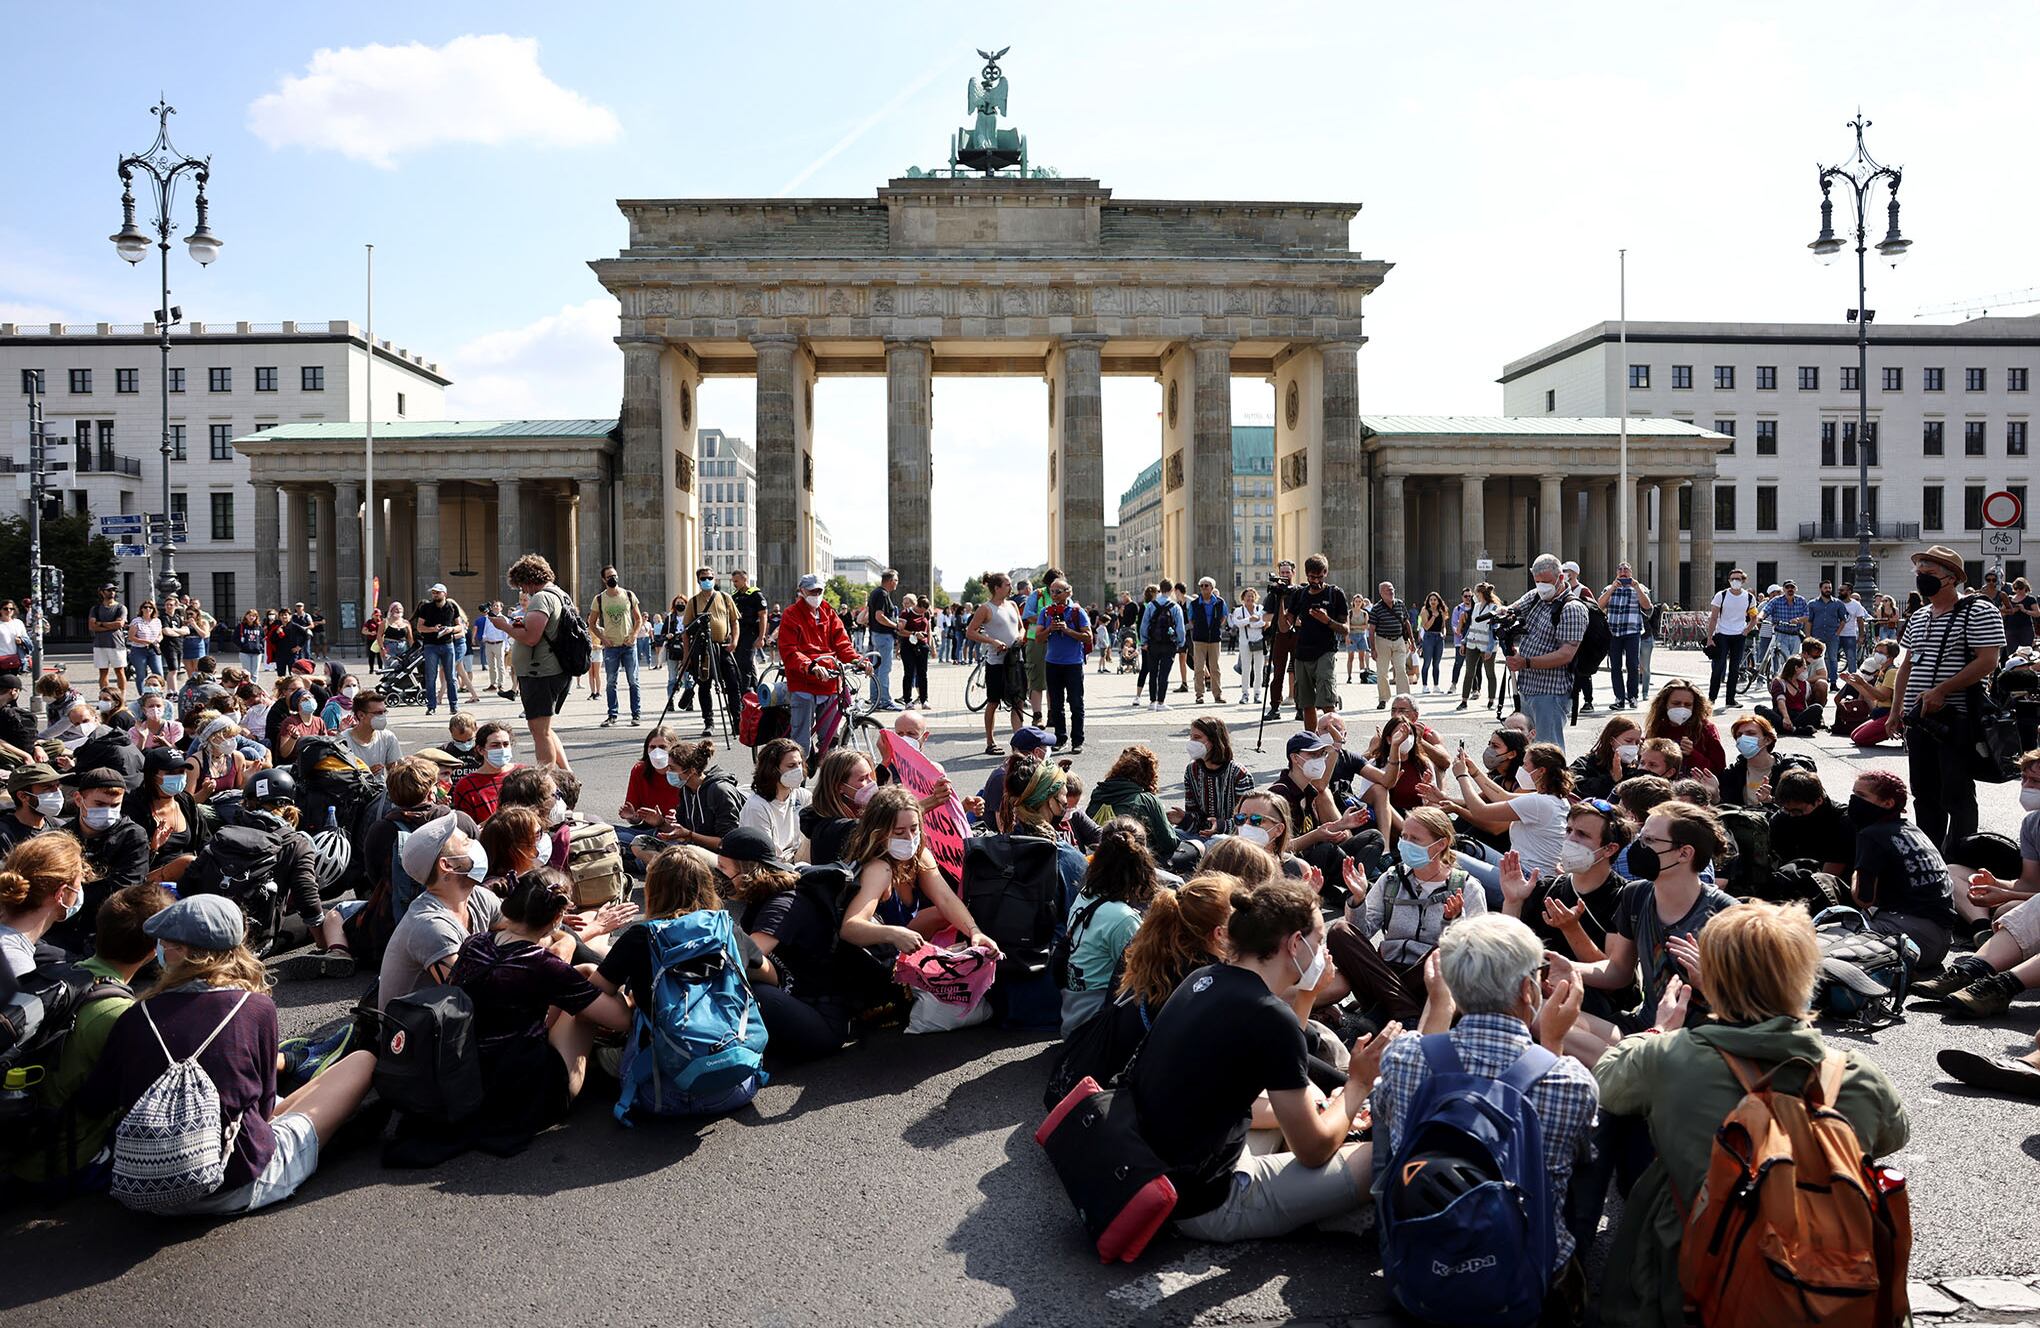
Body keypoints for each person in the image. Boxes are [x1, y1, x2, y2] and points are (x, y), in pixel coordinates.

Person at [1592, 900, 1909, 1328]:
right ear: (1807, 976)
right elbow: (1894, 1134)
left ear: (1713, 982)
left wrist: (1660, 1028)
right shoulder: (1855, 1074)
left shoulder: (1670, 1057)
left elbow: (1608, 1083)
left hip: (1689, 1279)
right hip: (1829, 1281)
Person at [75, 894, 378, 1216]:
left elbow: (98, 1100)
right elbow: (262, 1108)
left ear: (180, 952)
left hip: (148, 1187)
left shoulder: (136, 1017)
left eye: (164, 943)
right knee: (362, 1061)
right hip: (238, 1181)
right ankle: (321, 1112)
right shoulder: (255, 1008)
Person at [1128, 878, 1388, 1242]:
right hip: (1209, 1202)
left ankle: (1315, 1201)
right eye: (1319, 941)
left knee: (1313, 1103)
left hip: (1154, 1170)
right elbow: (1312, 1150)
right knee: (1383, 1157)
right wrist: (1358, 1083)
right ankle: (1326, 1212)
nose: (1322, 951)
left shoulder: (1203, 978)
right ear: (1294, 944)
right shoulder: (1268, 1014)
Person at [1371, 914, 1598, 1317]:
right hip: (1528, 1279)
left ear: (1453, 986)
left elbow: (1390, 1121)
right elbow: (1571, 1156)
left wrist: (1438, 1004)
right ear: (1529, 989)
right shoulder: (1569, 1078)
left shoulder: (1404, 1057)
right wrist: (1553, 1043)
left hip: (1420, 1274)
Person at [1546, 801, 1737, 1064]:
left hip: (1697, 1045)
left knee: (1608, 1054)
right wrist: (1571, 969)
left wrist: (1709, 982)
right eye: (1640, 837)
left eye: (1649, 840)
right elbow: (1619, 972)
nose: (1637, 847)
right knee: (1541, 1016)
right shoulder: (1636, 895)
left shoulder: (1727, 915)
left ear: (1684, 853)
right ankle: (1625, 1065)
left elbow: (1754, 1011)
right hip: (1641, 1027)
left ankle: (1626, 1068)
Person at [449, 869, 633, 1141]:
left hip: (474, 1072)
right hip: (525, 1092)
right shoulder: (543, 966)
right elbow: (621, 1019)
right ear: (558, 917)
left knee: (583, 972)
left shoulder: (475, 943)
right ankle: (613, 1056)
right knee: (589, 992)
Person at [1888, 543, 2005, 854]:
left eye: (1929, 572)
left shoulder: (1979, 610)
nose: (1921, 578)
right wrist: (1895, 709)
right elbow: (1907, 664)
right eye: (1919, 572)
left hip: (1955, 717)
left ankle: (1961, 857)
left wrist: (1942, 690)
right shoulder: (1920, 615)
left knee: (1956, 792)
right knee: (1923, 793)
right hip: (1918, 719)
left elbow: (1987, 661)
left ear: (1951, 577)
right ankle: (1931, 853)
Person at [1323, 806, 1485, 1023]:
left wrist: (1452, 922)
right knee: (1339, 931)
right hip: (1383, 973)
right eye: (1404, 836)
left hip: (1429, 980)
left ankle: (1386, 1012)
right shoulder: (1392, 879)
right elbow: (1361, 933)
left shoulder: (1467, 887)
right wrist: (1358, 899)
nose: (1406, 844)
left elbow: (1474, 956)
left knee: (1446, 951)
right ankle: (1407, 1015)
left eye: (1415, 839)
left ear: (1441, 844)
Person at [715, 829, 858, 1062]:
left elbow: (741, 957)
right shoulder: (764, 896)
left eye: (723, 868)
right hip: (798, 1000)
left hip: (822, 1020)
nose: (718, 876)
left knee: (747, 990)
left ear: (748, 870)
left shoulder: (783, 905)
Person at [1503, 800, 1639, 1021]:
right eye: (1568, 831)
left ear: (1609, 849)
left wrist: (1572, 929)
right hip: (1536, 986)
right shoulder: (1547, 888)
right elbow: (1508, 948)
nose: (1570, 840)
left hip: (1588, 1001)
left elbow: (1614, 977)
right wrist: (1513, 901)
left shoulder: (1623, 898)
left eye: (1582, 835)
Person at [838, 786, 997, 953]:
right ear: (878, 833)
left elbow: (946, 899)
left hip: (905, 944)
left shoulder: (919, 856)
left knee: (953, 915)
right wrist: (893, 934)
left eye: (914, 829)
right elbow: (850, 928)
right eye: (899, 832)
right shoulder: (879, 869)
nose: (909, 838)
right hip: (882, 957)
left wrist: (974, 931)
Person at [378, 814, 504, 1009]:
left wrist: (566, 940)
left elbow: (525, 929)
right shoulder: (430, 926)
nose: (475, 843)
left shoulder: (477, 896)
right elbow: (477, 993)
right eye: (466, 842)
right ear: (447, 865)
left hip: (452, 1022)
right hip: (421, 1035)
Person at [1847, 769, 1957, 972]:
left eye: (1861, 796)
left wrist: (1856, 871)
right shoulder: (1912, 829)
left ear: (1888, 803)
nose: (1853, 801)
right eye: (1853, 794)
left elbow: (1864, 898)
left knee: (1828, 932)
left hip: (1910, 938)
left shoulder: (1872, 834)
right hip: (1941, 940)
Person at [1059, 817, 1159, 1034]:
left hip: (1074, 1014)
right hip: (1097, 1027)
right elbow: (1143, 977)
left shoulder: (1085, 895)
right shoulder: (1123, 918)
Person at [1430, 741, 1573, 881]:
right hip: (1518, 868)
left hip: (1527, 879)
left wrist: (1462, 776)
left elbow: (1480, 811)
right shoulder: (1554, 799)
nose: (1521, 768)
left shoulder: (1538, 803)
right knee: (1465, 845)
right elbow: (1503, 796)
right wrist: (1474, 772)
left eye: (1525, 764)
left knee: (1452, 856)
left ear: (1541, 771)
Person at [489, 555, 575, 771]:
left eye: (522, 586)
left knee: (540, 731)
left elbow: (531, 637)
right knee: (545, 728)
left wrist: (505, 626)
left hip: (541, 673)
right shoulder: (560, 594)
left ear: (528, 580)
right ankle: (567, 775)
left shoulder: (542, 597)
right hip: (553, 670)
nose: (524, 592)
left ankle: (546, 783)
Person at [1503, 555, 1588, 753]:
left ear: (1560, 578)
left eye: (1546, 582)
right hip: (1527, 686)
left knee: (1548, 751)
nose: (1541, 586)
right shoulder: (1536, 597)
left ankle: (1554, 783)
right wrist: (1500, 613)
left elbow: (1566, 654)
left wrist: (1526, 662)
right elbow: (1513, 609)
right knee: (1528, 748)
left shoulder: (1572, 609)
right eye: (1537, 581)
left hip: (1550, 691)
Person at [777, 572, 867, 755]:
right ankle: (797, 778)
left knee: (829, 740)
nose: (816, 595)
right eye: (812, 591)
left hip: (830, 681)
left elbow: (842, 643)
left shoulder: (829, 612)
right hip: (804, 680)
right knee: (801, 743)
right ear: (802, 591)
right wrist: (810, 666)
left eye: (820, 590)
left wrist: (857, 660)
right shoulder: (791, 614)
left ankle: (828, 774)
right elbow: (789, 650)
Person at [966, 571, 1026, 752]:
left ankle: (1018, 743)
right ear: (997, 588)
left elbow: (1021, 627)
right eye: (1007, 584)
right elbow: (971, 631)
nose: (1010, 587)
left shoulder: (1013, 605)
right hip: (996, 662)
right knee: (993, 701)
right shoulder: (986, 608)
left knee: (1018, 700)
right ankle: (990, 742)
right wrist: (993, 641)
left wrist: (1020, 638)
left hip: (1015, 660)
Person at [679, 566, 739, 736]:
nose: (707, 581)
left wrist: (734, 641)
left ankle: (737, 720)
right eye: (703, 578)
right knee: (704, 686)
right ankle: (709, 722)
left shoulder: (725, 598)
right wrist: (687, 656)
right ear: (698, 581)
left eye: (710, 577)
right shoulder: (694, 601)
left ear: (715, 579)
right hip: (702, 649)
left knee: (733, 684)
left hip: (723, 647)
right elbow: (686, 630)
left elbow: (735, 622)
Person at [1173, 715, 1255, 840]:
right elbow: (1196, 816)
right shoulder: (1192, 770)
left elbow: (1248, 820)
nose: (1191, 742)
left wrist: (1220, 826)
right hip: (1201, 836)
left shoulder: (1240, 774)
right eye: (1191, 737)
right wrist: (1184, 819)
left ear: (1213, 740)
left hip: (1232, 839)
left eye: (1197, 738)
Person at [588, 564, 645, 729]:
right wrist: (602, 638)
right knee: (611, 682)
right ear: (603, 580)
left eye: (615, 575)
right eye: (609, 576)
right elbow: (592, 623)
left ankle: (636, 715)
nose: (613, 578)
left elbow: (638, 619)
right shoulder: (599, 599)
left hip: (628, 646)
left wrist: (634, 635)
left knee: (633, 681)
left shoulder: (628, 595)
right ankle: (612, 715)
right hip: (611, 647)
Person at [1040, 579, 1092, 754]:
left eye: (1058, 592)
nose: (1054, 595)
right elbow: (1038, 637)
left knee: (1076, 703)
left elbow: (1088, 636)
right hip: (1052, 663)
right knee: (1056, 704)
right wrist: (1050, 630)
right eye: (1051, 592)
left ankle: (1077, 740)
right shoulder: (1046, 612)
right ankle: (1060, 738)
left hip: (1073, 664)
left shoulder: (1078, 612)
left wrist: (1067, 630)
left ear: (1068, 592)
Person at [738, 737, 809, 865]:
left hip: (796, 859)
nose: (798, 770)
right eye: (791, 766)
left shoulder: (802, 796)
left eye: (799, 764)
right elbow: (765, 856)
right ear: (772, 769)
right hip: (772, 867)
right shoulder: (757, 807)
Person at [802, 747, 876, 865]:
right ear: (839, 787)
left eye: (870, 776)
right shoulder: (835, 829)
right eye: (863, 779)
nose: (871, 783)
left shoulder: (853, 811)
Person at [1596, 562, 1652, 710]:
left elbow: (1647, 607)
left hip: (1632, 632)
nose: (1623, 572)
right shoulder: (1609, 588)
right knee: (1615, 667)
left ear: (1631, 572)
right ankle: (1619, 698)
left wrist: (1637, 587)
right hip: (1614, 632)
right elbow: (1599, 606)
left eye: (1626, 569)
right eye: (1620, 569)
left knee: (1632, 666)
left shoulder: (1639, 588)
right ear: (1616, 572)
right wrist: (1613, 588)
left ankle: (1633, 697)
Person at [1642, 678, 1725, 776]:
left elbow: (1719, 769)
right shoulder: (1657, 728)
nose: (1682, 708)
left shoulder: (1706, 729)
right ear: (1664, 704)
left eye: (1688, 705)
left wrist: (1693, 754)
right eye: (1676, 703)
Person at [1703, 567, 1757, 707]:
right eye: (1732, 579)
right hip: (1722, 635)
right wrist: (1710, 637)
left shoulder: (1749, 597)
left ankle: (1730, 699)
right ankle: (1711, 698)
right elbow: (1713, 618)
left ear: (1743, 580)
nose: (1735, 581)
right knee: (1719, 667)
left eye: (1738, 579)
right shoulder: (1721, 595)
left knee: (1734, 668)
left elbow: (1754, 617)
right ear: (1728, 580)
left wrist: (1747, 630)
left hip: (1739, 636)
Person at [412, 583, 467, 717]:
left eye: (437, 592)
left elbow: (460, 626)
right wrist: (433, 629)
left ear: (444, 594)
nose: (435, 595)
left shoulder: (452, 607)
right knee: (431, 677)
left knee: (451, 677)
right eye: (433, 593)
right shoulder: (426, 608)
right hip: (431, 645)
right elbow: (419, 627)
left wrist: (450, 629)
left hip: (448, 644)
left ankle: (454, 706)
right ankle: (431, 706)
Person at [450, 721, 518, 824]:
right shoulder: (466, 786)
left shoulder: (522, 774)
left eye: (506, 744)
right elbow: (467, 829)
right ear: (480, 750)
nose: (502, 749)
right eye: (495, 745)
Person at [1133, 579, 1183, 714]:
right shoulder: (1175, 607)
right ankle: (1161, 702)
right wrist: (1180, 642)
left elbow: (1144, 625)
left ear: (1160, 589)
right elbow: (1180, 628)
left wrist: (1144, 642)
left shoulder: (1150, 605)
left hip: (1153, 644)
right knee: (1164, 674)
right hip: (1169, 644)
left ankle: (1152, 701)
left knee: (1153, 672)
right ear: (1172, 590)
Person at [1571, 715, 1641, 802]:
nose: (1633, 746)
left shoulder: (1636, 768)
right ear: (1611, 740)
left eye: (1637, 743)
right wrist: (1611, 779)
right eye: (1628, 741)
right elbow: (1575, 788)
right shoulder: (1586, 763)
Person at [1186, 578, 1229, 704]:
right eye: (1202, 586)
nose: (1204, 588)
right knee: (1199, 667)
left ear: (1212, 588)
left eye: (1206, 586)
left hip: (1215, 638)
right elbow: (1191, 619)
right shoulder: (1195, 603)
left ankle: (1218, 695)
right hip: (1199, 639)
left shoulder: (1220, 602)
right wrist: (1201, 628)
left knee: (1215, 668)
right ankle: (1199, 694)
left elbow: (1223, 617)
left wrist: (1215, 627)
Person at [865, 568, 902, 712]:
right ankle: (885, 701)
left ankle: (875, 699)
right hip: (883, 636)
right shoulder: (882, 594)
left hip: (876, 635)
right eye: (896, 580)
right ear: (891, 580)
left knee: (876, 668)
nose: (897, 584)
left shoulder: (876, 593)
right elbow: (879, 616)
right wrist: (895, 625)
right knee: (884, 669)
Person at [730, 568, 769, 691]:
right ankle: (754, 693)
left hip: (751, 634)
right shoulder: (734, 596)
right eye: (733, 581)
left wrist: (761, 637)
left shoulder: (756, 595)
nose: (734, 584)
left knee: (744, 665)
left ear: (744, 579)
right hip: (738, 635)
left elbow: (763, 616)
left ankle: (743, 696)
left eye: (736, 581)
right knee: (740, 664)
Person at [88, 584, 128, 697]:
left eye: (114, 590)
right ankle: (105, 696)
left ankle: (122, 697)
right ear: (102, 592)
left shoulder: (120, 607)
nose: (112, 592)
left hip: (116, 644)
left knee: (120, 671)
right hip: (100, 644)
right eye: (109, 590)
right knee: (103, 672)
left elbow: (119, 624)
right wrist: (111, 625)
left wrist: (101, 623)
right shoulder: (96, 608)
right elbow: (92, 626)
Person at [1229, 586, 1267, 706]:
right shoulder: (1238, 610)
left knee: (1259, 669)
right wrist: (1250, 619)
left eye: (1252, 596)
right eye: (1247, 596)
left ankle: (1257, 693)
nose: (1250, 598)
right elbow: (1237, 623)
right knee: (1245, 669)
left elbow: (1263, 622)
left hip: (1259, 641)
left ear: (1255, 597)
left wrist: (1250, 624)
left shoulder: (1260, 608)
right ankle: (1245, 693)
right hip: (1245, 643)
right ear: (1243, 598)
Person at [896, 593, 931, 708]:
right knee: (909, 673)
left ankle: (924, 700)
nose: (922, 614)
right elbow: (900, 630)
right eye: (921, 611)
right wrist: (914, 633)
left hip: (922, 645)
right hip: (908, 645)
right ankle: (907, 701)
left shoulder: (926, 613)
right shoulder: (906, 613)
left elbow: (928, 629)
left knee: (923, 674)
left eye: (924, 612)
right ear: (917, 606)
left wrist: (929, 645)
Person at [1415, 591, 1449, 694]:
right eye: (1431, 600)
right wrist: (1433, 616)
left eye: (1435, 600)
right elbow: (1426, 626)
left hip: (1439, 637)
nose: (1433, 602)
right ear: (1428, 601)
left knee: (1437, 663)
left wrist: (1444, 634)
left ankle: (1436, 686)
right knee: (1427, 662)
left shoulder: (1442, 611)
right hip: (1429, 637)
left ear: (1438, 601)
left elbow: (1443, 626)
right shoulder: (1425, 611)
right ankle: (1425, 686)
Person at [126, 599, 164, 688]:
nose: (148, 609)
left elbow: (161, 634)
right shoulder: (137, 621)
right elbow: (131, 637)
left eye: (150, 607)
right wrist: (146, 641)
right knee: (141, 674)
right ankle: (143, 694)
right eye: (145, 607)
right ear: (141, 609)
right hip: (139, 650)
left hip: (153, 649)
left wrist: (158, 640)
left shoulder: (157, 621)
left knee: (158, 672)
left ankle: (159, 693)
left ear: (153, 609)